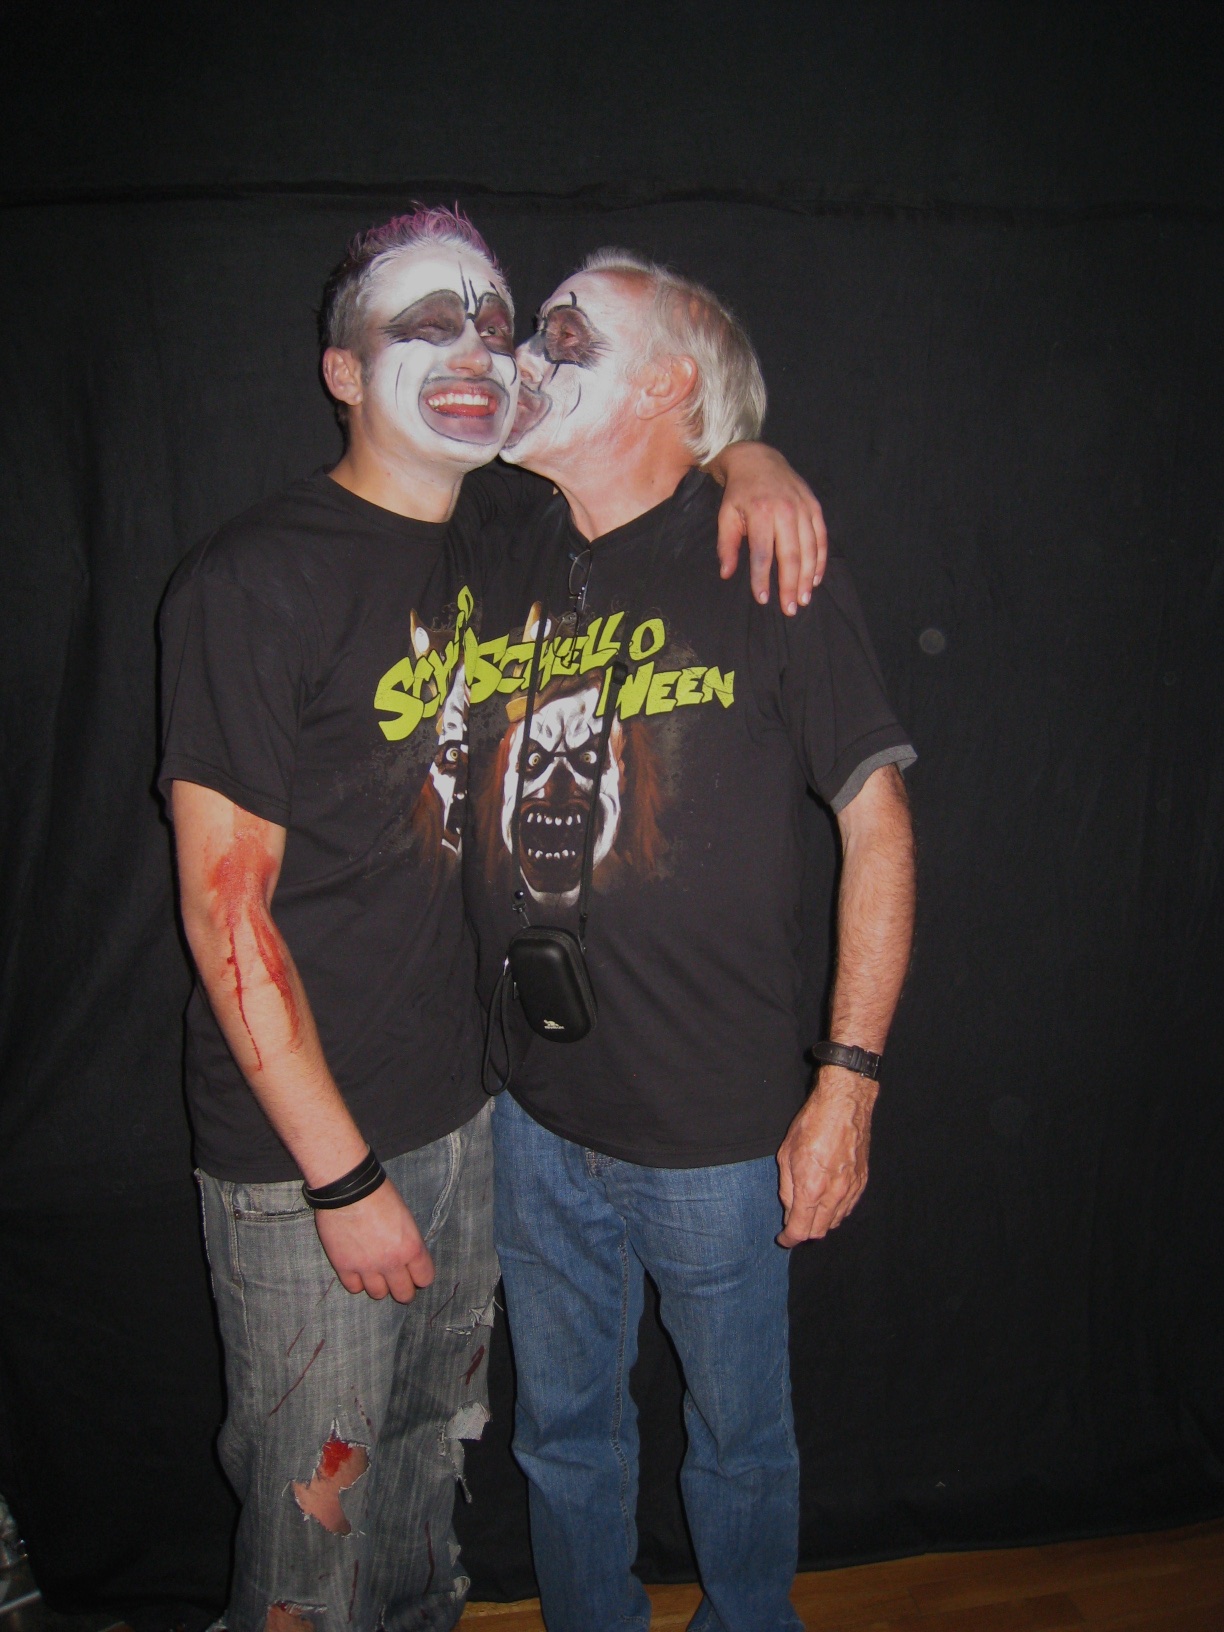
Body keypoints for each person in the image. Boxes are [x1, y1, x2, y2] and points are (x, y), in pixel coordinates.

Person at [158, 208, 827, 1632]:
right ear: (343, 372)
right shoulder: (252, 577)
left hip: (471, 1125)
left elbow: (663, 457)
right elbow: (225, 909)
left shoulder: (507, 538)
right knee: (312, 1519)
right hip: (311, 1148)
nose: (478, 350)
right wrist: (339, 1177)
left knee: (421, 1491)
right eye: (425, 325)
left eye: (492, 321)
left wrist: (748, 453)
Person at [458, 250, 917, 1631]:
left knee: (739, 1444)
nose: (527, 351)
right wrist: (744, 445)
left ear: (664, 383)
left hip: (716, 1132)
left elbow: (879, 825)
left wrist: (848, 1082)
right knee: (562, 1437)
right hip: (532, 1111)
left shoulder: (764, 558)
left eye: (565, 331)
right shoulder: (500, 541)